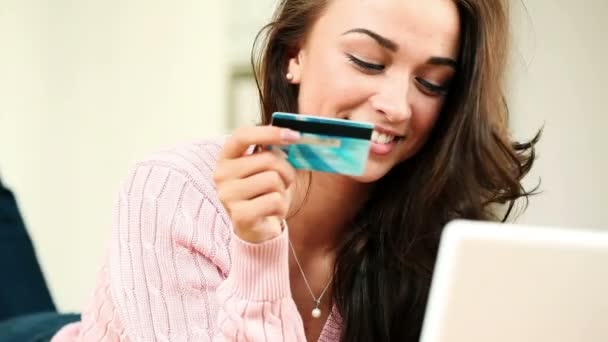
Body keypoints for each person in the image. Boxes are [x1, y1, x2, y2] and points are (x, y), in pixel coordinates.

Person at [49, 0, 539, 341]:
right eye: (367, 62)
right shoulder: (172, 191)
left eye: (431, 83)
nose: (397, 106)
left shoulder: (431, 239)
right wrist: (258, 251)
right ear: (293, 56)